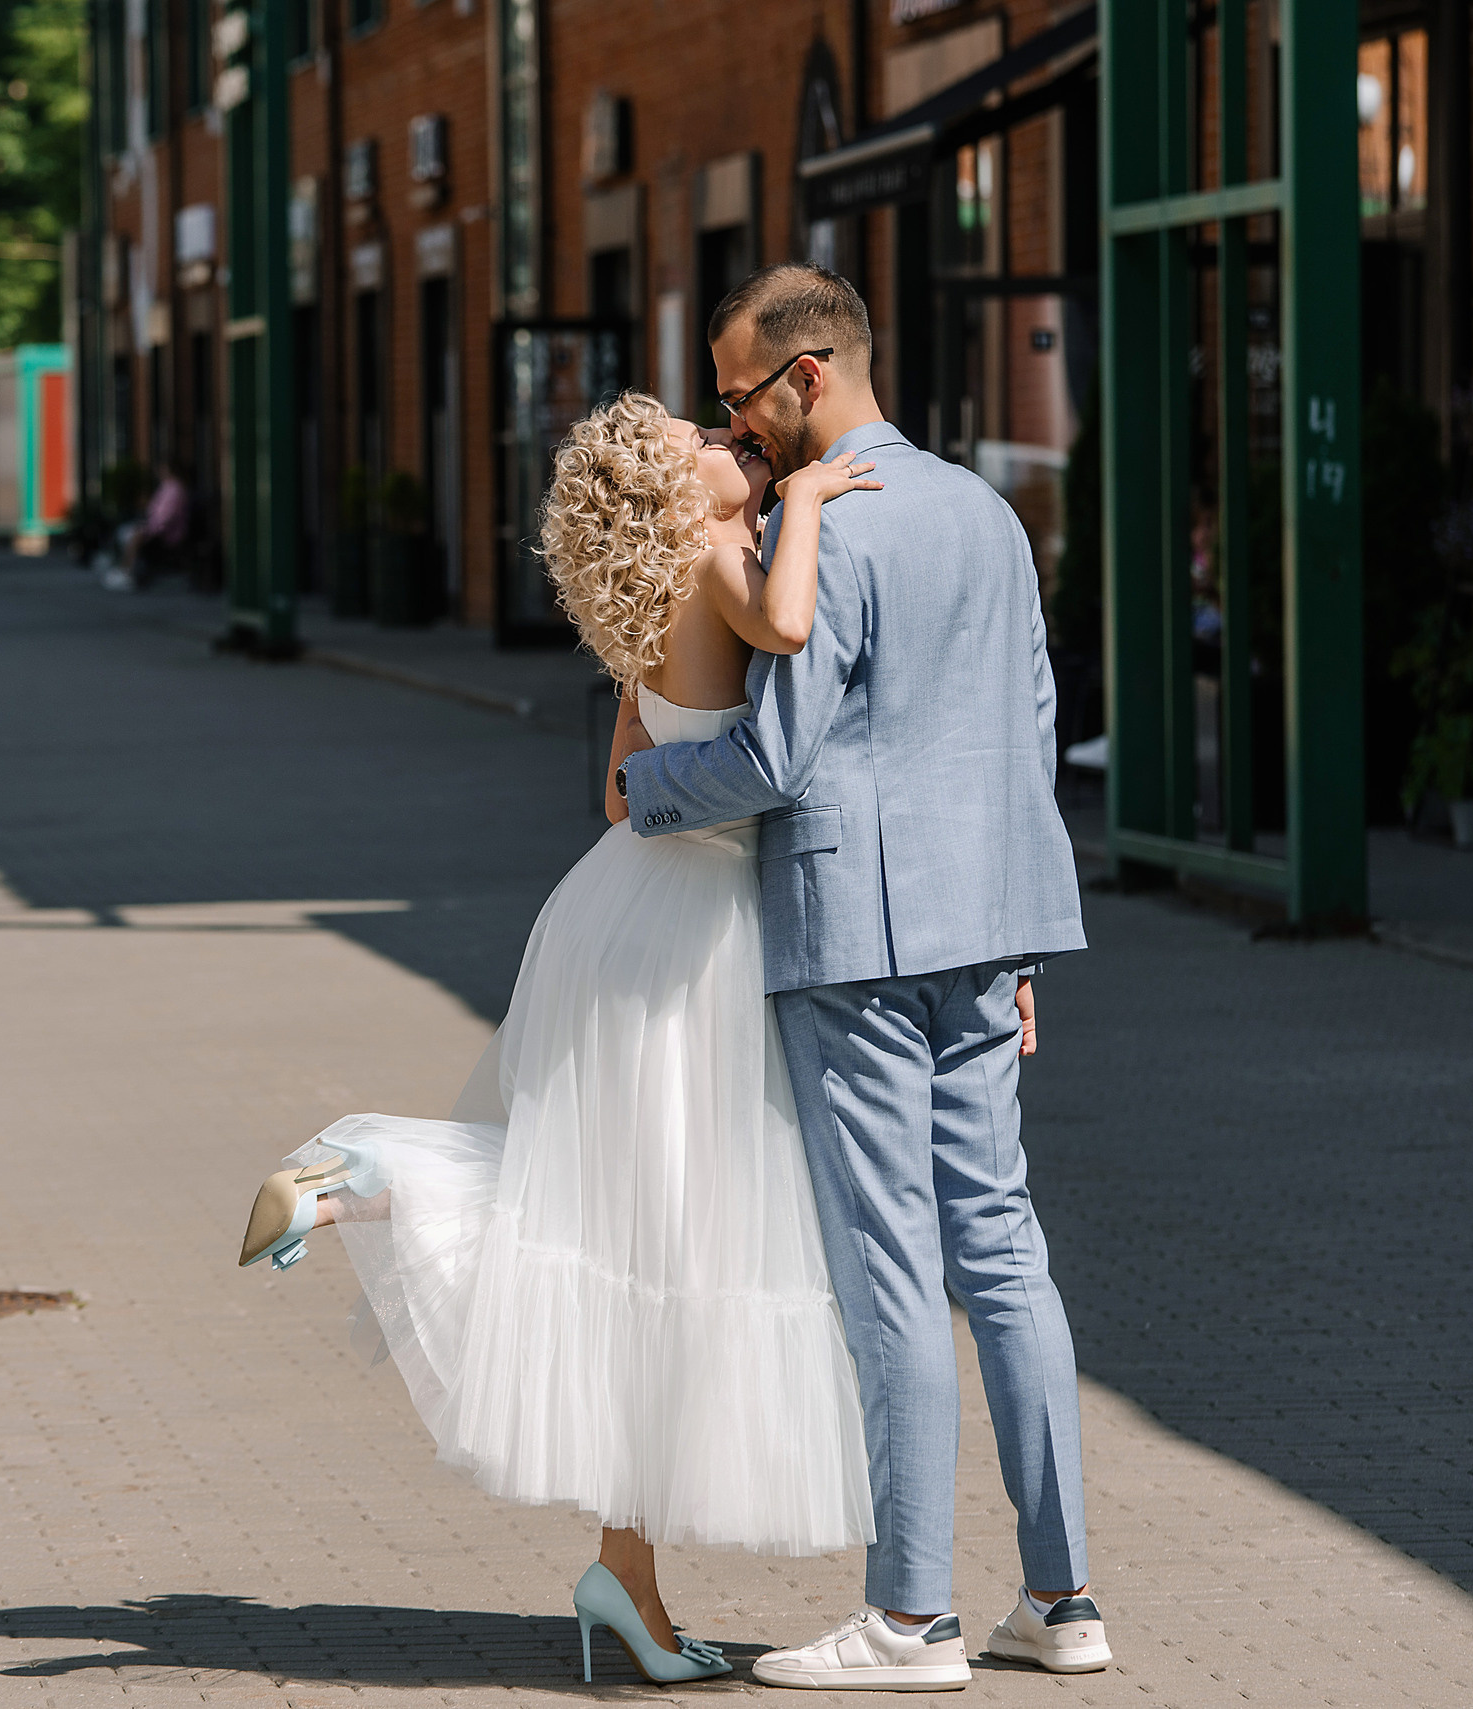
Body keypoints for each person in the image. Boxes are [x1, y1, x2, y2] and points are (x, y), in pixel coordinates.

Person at [235, 391, 883, 1685]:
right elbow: (793, 628)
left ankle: (625, 1578)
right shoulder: (724, 559)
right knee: (666, 1234)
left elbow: (617, 789)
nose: (734, 444)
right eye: (709, 443)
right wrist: (806, 503)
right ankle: (366, 1168)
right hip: (695, 935)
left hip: (624, 911)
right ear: (673, 496)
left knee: (625, 1232)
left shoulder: (651, 601)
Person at [617, 261, 1105, 1691]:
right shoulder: (991, 516)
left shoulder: (835, 531)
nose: (734, 425)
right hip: (979, 931)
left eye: (739, 396)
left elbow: (774, 759)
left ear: (810, 372)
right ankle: (1063, 1599)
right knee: (1004, 1253)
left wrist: (648, 782)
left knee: (891, 1270)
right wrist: (1020, 937)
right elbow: (1031, 731)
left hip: (855, 937)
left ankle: (910, 1620)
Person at [124, 460, 191, 588]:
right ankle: (127, 570)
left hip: (168, 532)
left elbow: (167, 517)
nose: (160, 472)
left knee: (136, 536)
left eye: (162, 469)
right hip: (158, 527)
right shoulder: (166, 486)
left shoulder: (175, 489)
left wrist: (151, 529)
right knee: (132, 532)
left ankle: (128, 572)